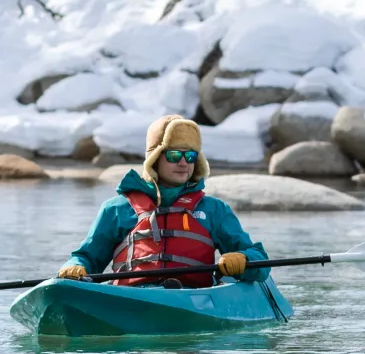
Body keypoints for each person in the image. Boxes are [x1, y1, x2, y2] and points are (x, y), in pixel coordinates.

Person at [57, 116, 268, 288]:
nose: (184, 163)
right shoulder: (117, 209)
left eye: (191, 156)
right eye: (175, 155)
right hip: (130, 298)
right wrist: (75, 265)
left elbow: (259, 259)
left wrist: (243, 259)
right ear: (155, 159)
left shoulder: (214, 210)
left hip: (192, 298)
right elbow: (88, 257)